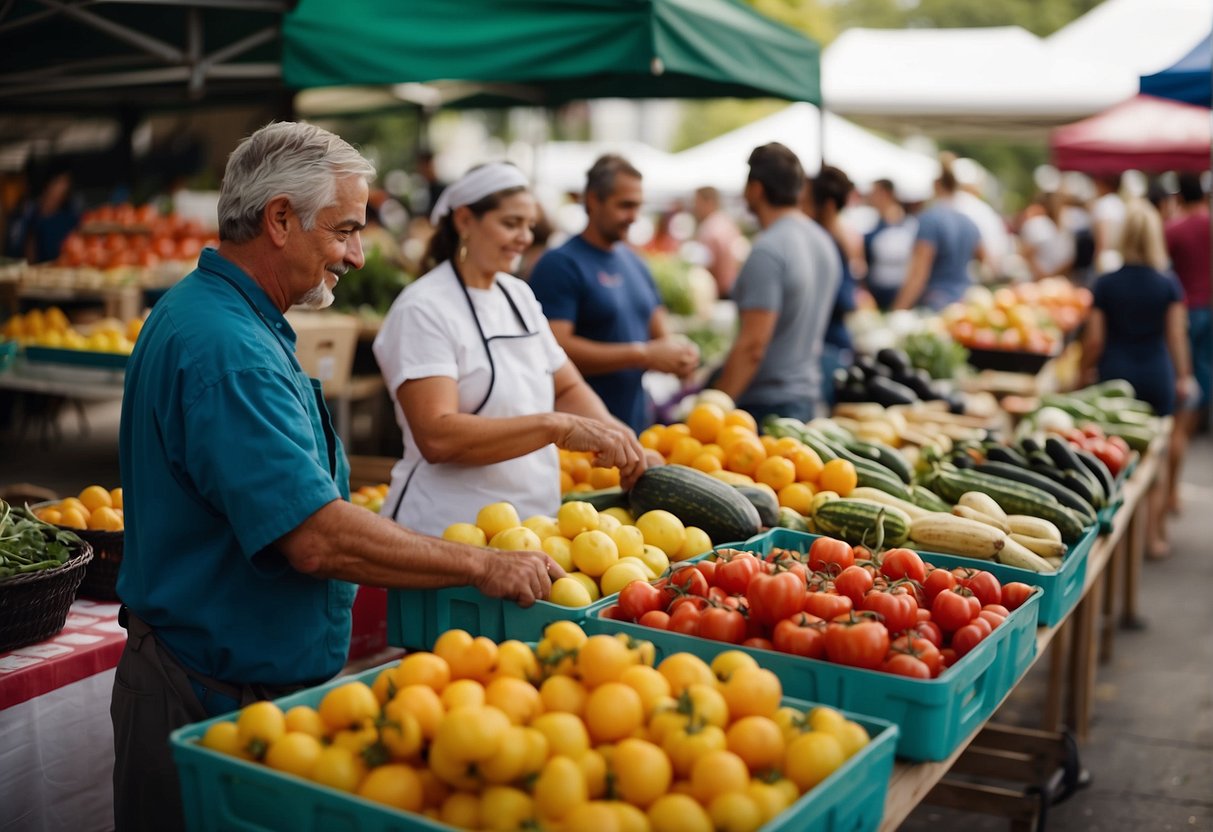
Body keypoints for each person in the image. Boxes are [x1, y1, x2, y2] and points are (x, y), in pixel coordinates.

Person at [112, 123, 563, 832]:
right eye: (345, 230)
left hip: (228, 680)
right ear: (280, 219)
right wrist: (480, 564)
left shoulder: (226, 318)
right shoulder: (229, 351)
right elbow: (316, 539)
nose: (357, 254)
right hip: (207, 695)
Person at [372, 162, 647, 536]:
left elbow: (565, 387)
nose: (524, 237)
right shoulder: (423, 308)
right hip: (446, 532)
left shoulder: (517, 295)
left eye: (529, 225)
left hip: (533, 528)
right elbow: (437, 436)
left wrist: (618, 437)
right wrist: (555, 427)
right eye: (511, 223)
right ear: (465, 220)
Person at [529, 155, 699, 433]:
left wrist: (680, 356)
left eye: (637, 206)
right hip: (579, 435)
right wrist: (642, 355)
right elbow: (555, 349)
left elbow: (660, 334)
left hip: (637, 426)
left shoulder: (635, 262)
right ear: (593, 201)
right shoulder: (560, 264)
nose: (633, 217)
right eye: (625, 205)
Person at [1081, 199, 1194, 559]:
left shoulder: (1106, 283)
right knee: (1154, 464)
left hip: (1116, 378)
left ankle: (1116, 542)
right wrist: (1184, 375)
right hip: (1156, 375)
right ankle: (1153, 537)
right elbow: (1176, 336)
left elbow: (1095, 339)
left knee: (1113, 462)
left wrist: (1085, 371)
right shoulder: (1167, 283)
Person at [710, 143, 840, 424]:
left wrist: (716, 409)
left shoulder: (768, 250)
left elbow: (752, 346)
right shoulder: (823, 241)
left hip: (766, 406)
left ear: (756, 189)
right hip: (805, 398)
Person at [1164, 172, 1210, 510]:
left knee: (1180, 394)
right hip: (1210, 312)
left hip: (1183, 316)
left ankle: (1170, 489)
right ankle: (1173, 489)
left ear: (1180, 196)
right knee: (1199, 391)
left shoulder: (1174, 229)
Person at [892, 162, 985, 311]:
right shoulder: (969, 222)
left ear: (936, 185)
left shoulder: (930, 220)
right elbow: (984, 258)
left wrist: (898, 309)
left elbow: (919, 272)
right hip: (964, 299)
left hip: (936, 300)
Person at [804, 165, 859, 408]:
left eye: (806, 202)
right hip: (834, 344)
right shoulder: (839, 239)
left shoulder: (827, 243)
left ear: (826, 205)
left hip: (829, 347)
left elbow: (844, 300)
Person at [863, 178, 917, 310]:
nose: (870, 197)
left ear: (884, 193)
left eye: (873, 192)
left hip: (899, 292)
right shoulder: (869, 222)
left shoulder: (910, 225)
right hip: (875, 293)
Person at [692, 186, 743, 297]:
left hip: (719, 292)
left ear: (709, 202)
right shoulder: (728, 223)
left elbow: (706, 265)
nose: (695, 207)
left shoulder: (709, 228)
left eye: (697, 202)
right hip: (733, 289)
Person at [1019, 191, 1075, 282]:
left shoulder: (1037, 223)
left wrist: (1045, 277)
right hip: (1055, 280)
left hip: (1039, 281)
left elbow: (1027, 253)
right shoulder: (1066, 225)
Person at [1091, 173, 1126, 274]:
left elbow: (1102, 239)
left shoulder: (1103, 204)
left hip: (1106, 259)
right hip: (1120, 258)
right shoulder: (1121, 204)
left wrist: (1098, 257)